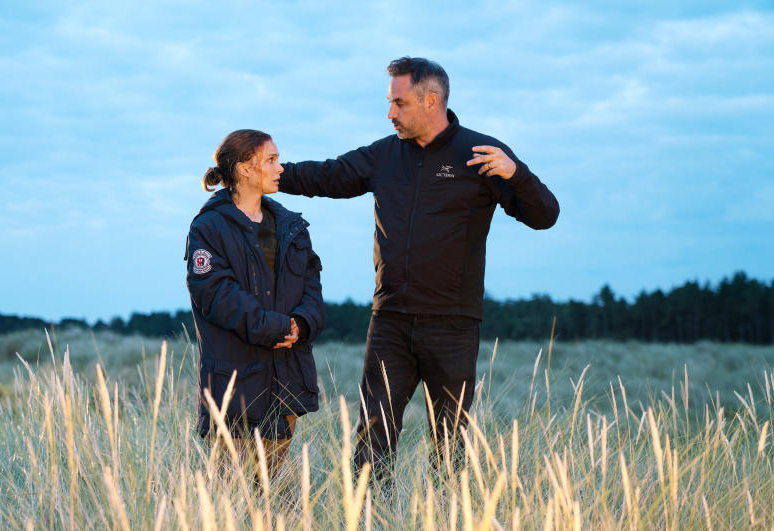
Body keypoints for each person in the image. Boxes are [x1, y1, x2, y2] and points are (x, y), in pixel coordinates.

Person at [278, 57, 559, 484]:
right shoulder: (384, 155)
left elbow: (545, 215)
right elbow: (328, 176)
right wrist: (266, 175)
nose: (390, 113)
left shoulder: (480, 154)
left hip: (452, 324)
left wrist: (516, 174)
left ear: (431, 101)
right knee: (373, 437)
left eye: (399, 103)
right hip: (390, 321)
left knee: (450, 443)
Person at [186, 129, 324, 479]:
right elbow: (215, 294)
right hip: (235, 380)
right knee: (230, 490)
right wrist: (276, 327)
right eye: (271, 160)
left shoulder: (291, 227)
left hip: (286, 375)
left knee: (272, 485)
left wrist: (301, 325)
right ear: (246, 169)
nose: (281, 168)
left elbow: (312, 286)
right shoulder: (209, 227)